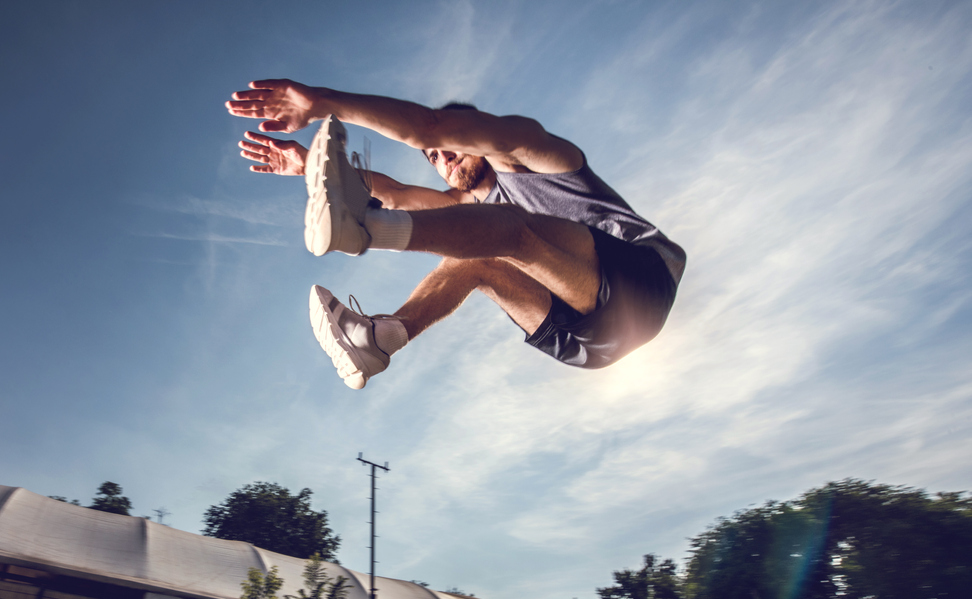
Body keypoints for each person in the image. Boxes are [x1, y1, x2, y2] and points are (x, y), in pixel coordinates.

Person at [226, 79, 686, 389]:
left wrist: (325, 103)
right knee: (474, 255)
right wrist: (306, 164)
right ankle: (379, 339)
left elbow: (432, 126)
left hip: (641, 284)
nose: (443, 158)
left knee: (508, 231)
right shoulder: (470, 210)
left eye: (452, 149)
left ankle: (364, 230)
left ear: (476, 136)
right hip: (586, 343)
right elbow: (399, 194)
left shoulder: (533, 152)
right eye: (434, 158)